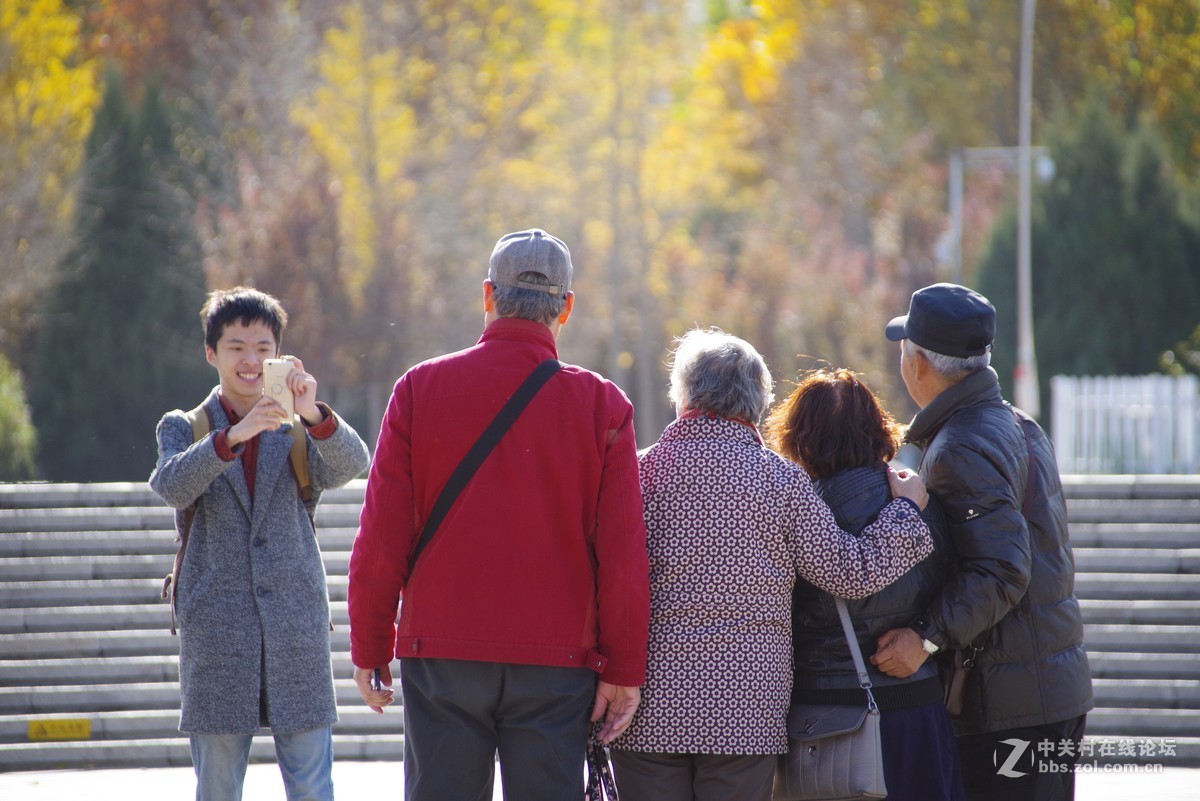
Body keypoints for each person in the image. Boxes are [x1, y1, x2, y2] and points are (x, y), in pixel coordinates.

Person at [346, 228, 651, 801]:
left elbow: (382, 538)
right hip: (558, 658)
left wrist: (370, 643)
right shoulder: (601, 405)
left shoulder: (418, 389)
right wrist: (624, 669)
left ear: (487, 295)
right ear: (566, 307)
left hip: (442, 651)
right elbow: (622, 555)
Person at [608, 329, 936, 801]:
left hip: (645, 706)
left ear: (681, 394)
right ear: (758, 403)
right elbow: (850, 572)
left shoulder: (635, 474)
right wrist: (905, 510)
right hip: (745, 710)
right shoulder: (783, 482)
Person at [149, 287, 371, 801]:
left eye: (263, 348)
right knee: (219, 787)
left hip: (296, 629)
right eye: (236, 347)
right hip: (218, 634)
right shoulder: (185, 426)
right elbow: (171, 486)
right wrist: (232, 437)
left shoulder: (296, 427)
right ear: (211, 353)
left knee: (312, 787)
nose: (250, 360)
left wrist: (313, 413)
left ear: (279, 354)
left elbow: (354, 464)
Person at [875, 283, 1093, 801]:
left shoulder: (960, 446)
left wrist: (924, 638)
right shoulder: (1017, 424)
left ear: (918, 364)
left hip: (1008, 709)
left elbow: (1001, 568)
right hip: (1046, 691)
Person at [767, 367, 964, 801]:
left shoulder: (797, 511)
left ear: (799, 440)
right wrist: (926, 639)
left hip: (825, 719)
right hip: (915, 706)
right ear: (877, 429)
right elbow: (955, 585)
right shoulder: (920, 500)